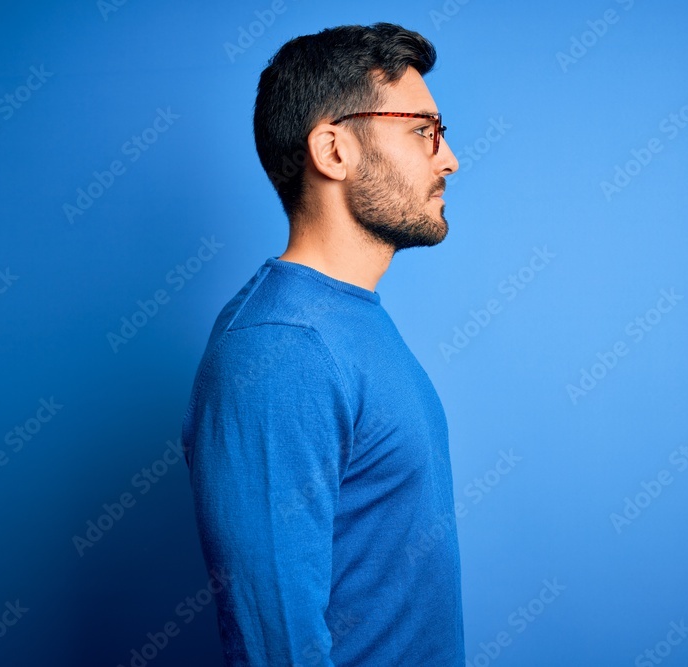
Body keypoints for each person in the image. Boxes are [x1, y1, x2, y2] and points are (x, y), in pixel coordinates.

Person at [181, 22, 463, 665]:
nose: (448, 158)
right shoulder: (280, 348)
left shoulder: (350, 321)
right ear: (334, 151)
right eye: (424, 130)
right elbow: (274, 646)